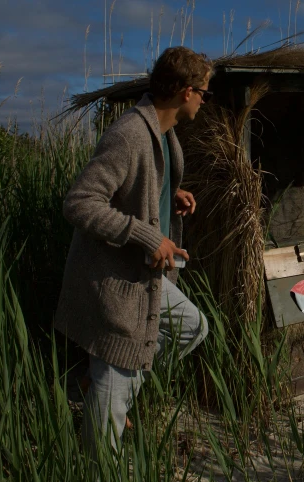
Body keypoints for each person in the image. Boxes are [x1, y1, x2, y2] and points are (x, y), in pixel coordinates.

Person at [54, 46, 212, 456]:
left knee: (192, 326)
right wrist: (145, 235)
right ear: (183, 91)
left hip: (143, 279)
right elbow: (80, 203)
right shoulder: (128, 134)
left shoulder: (163, 135)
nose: (203, 101)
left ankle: (100, 390)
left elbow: (136, 186)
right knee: (114, 391)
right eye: (203, 93)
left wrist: (167, 195)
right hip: (114, 286)